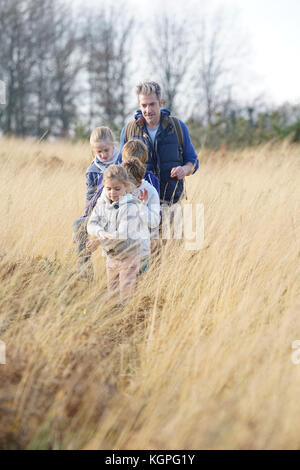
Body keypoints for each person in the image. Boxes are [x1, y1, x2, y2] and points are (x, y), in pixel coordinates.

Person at [118, 81, 199, 205]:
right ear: (139, 105)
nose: (148, 110)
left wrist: (184, 169)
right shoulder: (128, 130)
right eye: (144, 105)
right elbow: (120, 166)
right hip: (139, 205)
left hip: (172, 202)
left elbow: (193, 161)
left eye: (152, 104)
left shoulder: (178, 127)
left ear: (161, 103)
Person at [87, 165, 148, 302]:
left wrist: (98, 241)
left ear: (126, 186)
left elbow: (122, 234)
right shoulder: (102, 204)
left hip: (129, 255)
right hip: (112, 255)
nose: (112, 193)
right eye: (108, 189)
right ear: (104, 186)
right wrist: (100, 231)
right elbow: (91, 224)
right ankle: (114, 318)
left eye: (117, 189)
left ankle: (127, 318)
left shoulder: (131, 206)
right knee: (112, 293)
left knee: (126, 293)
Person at [72, 126, 119, 279]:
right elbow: (90, 198)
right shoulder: (92, 170)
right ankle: (84, 271)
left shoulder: (122, 162)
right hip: (101, 213)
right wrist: (87, 218)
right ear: (94, 151)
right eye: (99, 152)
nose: (103, 155)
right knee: (79, 224)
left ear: (113, 145)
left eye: (106, 150)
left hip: (121, 211)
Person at [121, 157, 160, 273]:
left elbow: (154, 220)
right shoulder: (118, 188)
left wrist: (141, 207)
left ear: (138, 183)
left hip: (142, 248)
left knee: (141, 279)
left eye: (127, 185)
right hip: (122, 249)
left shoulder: (151, 192)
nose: (125, 188)